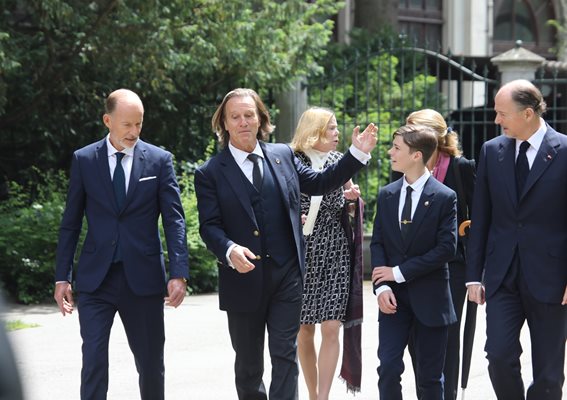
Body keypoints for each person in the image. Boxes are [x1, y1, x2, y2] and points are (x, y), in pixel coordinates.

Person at [194, 88, 377, 400]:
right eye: (235, 117)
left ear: (261, 119)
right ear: (224, 124)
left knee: (285, 356)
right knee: (249, 367)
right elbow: (210, 227)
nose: (243, 122)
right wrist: (228, 249)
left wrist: (355, 155)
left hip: (287, 278)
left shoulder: (282, 155)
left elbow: (321, 182)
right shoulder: (210, 172)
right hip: (242, 280)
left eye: (249, 115)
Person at [53, 88, 189, 400]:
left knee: (151, 364)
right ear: (107, 120)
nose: (134, 132)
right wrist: (63, 276)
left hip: (143, 280)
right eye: (127, 124)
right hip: (95, 280)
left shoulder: (158, 161)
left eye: (139, 124)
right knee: (94, 362)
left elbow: (174, 220)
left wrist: (178, 272)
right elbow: (71, 222)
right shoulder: (84, 160)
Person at [466, 79, 567, 400]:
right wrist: (473, 277)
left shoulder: (565, 151)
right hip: (501, 276)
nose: (496, 120)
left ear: (527, 113)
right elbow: (481, 218)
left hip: (552, 279)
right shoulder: (491, 151)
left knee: (549, 376)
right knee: (497, 356)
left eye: (501, 113)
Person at [371, 124, 457, 399]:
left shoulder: (445, 197)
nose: (390, 152)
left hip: (431, 301)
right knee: (388, 368)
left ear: (416, 155)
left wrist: (397, 273)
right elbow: (378, 243)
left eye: (396, 148)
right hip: (393, 302)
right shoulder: (387, 194)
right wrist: (382, 287)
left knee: (430, 378)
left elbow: (446, 248)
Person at [290, 107, 364, 399]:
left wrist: (351, 199)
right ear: (315, 131)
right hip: (303, 252)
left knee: (332, 327)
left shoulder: (338, 161)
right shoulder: (292, 160)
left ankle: (323, 397)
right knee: (304, 330)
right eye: (332, 128)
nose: (337, 134)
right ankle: (312, 394)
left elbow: (352, 201)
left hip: (335, 251)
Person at [404, 109, 476, 400]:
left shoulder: (460, 167)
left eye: (412, 129)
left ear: (434, 134)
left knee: (446, 337)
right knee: (414, 337)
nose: (406, 135)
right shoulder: (407, 164)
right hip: (412, 267)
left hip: (452, 267)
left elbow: (480, 215)